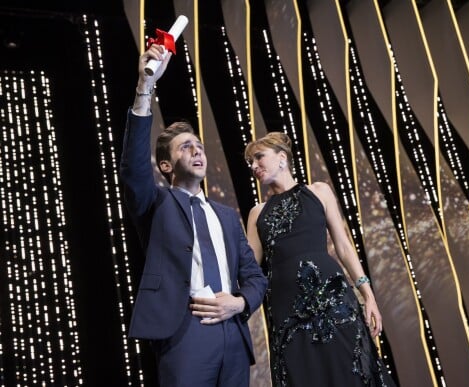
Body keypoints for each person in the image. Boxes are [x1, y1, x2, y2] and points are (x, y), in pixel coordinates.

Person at [120, 43, 268, 387]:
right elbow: (132, 170)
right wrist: (145, 88)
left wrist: (240, 302)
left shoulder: (228, 216)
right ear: (167, 165)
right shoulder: (154, 204)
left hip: (234, 335)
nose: (197, 149)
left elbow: (256, 277)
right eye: (185, 146)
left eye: (198, 145)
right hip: (185, 333)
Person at [244, 132, 397, 387]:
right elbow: (249, 270)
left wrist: (368, 295)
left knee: (351, 371)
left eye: (259, 157)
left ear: (282, 158)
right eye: (249, 162)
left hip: (332, 300)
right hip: (286, 311)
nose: (253, 166)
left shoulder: (318, 191)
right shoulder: (257, 213)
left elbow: (344, 247)